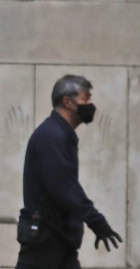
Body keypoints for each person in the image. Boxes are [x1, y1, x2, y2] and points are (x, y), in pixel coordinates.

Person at [15, 74, 122, 268]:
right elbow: (63, 187)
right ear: (67, 101)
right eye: (85, 98)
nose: (90, 104)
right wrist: (95, 220)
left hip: (59, 238)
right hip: (45, 240)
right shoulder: (52, 137)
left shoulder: (59, 134)